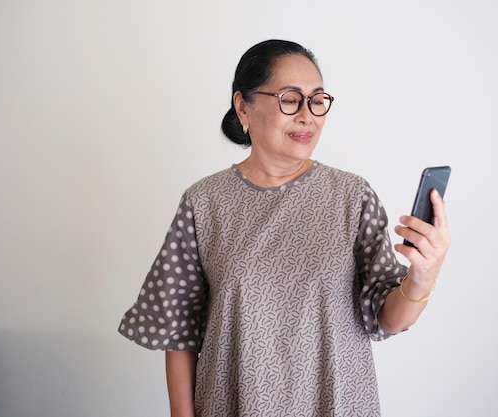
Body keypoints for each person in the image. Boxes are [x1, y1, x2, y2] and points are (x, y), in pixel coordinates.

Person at [118, 39, 450, 417]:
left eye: (317, 100)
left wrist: (422, 278)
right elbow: (178, 328)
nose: (308, 115)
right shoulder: (204, 202)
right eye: (290, 99)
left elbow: (386, 319)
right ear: (243, 106)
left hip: (337, 404)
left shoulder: (352, 196)